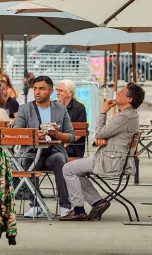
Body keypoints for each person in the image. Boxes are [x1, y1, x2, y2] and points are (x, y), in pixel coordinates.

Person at [59, 83, 144, 221]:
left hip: (111, 161)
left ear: (130, 99)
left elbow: (98, 134)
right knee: (75, 171)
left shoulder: (124, 117)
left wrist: (103, 111)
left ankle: (79, 209)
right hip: (113, 158)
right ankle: (97, 202)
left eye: (122, 92)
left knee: (68, 169)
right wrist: (102, 139)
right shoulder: (129, 115)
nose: (118, 94)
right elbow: (103, 136)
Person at [14, 75, 75, 218]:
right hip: (32, 151)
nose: (37, 92)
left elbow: (71, 136)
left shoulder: (61, 109)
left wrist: (57, 134)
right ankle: (36, 205)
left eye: (42, 89)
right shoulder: (25, 109)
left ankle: (65, 206)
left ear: (51, 91)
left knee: (60, 159)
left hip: (54, 152)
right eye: (35, 89)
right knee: (27, 160)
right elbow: (17, 134)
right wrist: (35, 136)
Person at [56, 80, 88, 158]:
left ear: (70, 93)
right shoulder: (53, 105)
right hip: (55, 144)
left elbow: (79, 133)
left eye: (60, 91)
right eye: (57, 90)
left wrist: (64, 144)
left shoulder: (79, 108)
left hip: (72, 146)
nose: (57, 93)